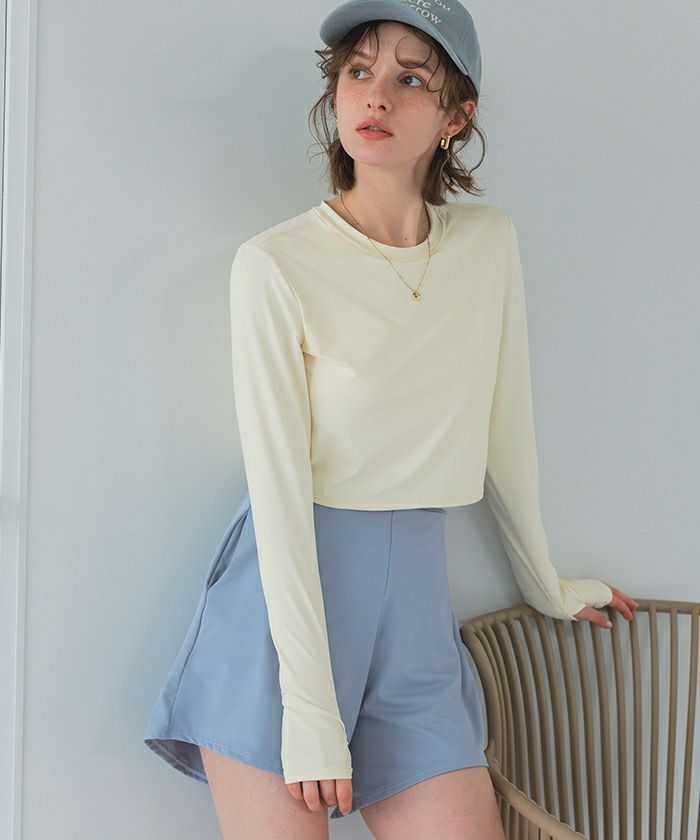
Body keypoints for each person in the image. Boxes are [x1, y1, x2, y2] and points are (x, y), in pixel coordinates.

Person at [143, 1, 640, 837]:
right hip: (281, 622)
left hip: (416, 626)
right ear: (335, 96)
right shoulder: (275, 265)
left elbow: (505, 436)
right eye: (359, 72)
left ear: (455, 117)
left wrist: (545, 582)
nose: (377, 96)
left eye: (412, 79)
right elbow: (278, 492)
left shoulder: (487, 245)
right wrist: (309, 710)